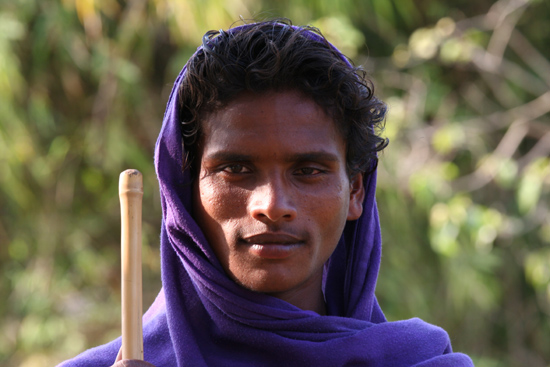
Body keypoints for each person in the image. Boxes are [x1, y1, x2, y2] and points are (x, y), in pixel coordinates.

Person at [59, 20, 474, 367]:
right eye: (235, 169)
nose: (272, 205)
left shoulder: (419, 360)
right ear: (186, 192)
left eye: (308, 170)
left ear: (356, 192)